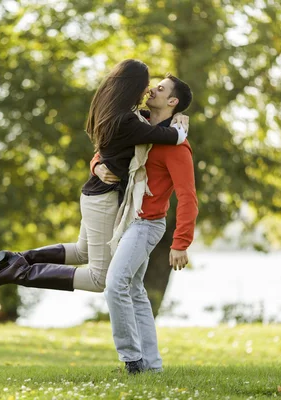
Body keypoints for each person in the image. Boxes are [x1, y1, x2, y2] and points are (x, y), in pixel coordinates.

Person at [0, 60, 188, 294]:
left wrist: (95, 164)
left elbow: (140, 129)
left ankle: (13, 259)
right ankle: (21, 272)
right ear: (133, 87)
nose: (149, 90)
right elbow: (171, 137)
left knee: (81, 252)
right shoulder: (127, 121)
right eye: (147, 85)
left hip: (94, 194)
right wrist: (181, 123)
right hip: (104, 199)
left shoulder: (117, 112)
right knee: (100, 279)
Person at [91, 73, 198, 374]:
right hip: (125, 219)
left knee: (115, 285)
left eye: (161, 88)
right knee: (135, 292)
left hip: (147, 224)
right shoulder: (135, 123)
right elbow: (104, 151)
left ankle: (131, 361)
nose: (152, 89)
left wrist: (181, 243)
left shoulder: (177, 146)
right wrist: (97, 166)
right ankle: (151, 366)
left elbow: (188, 197)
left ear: (172, 102)